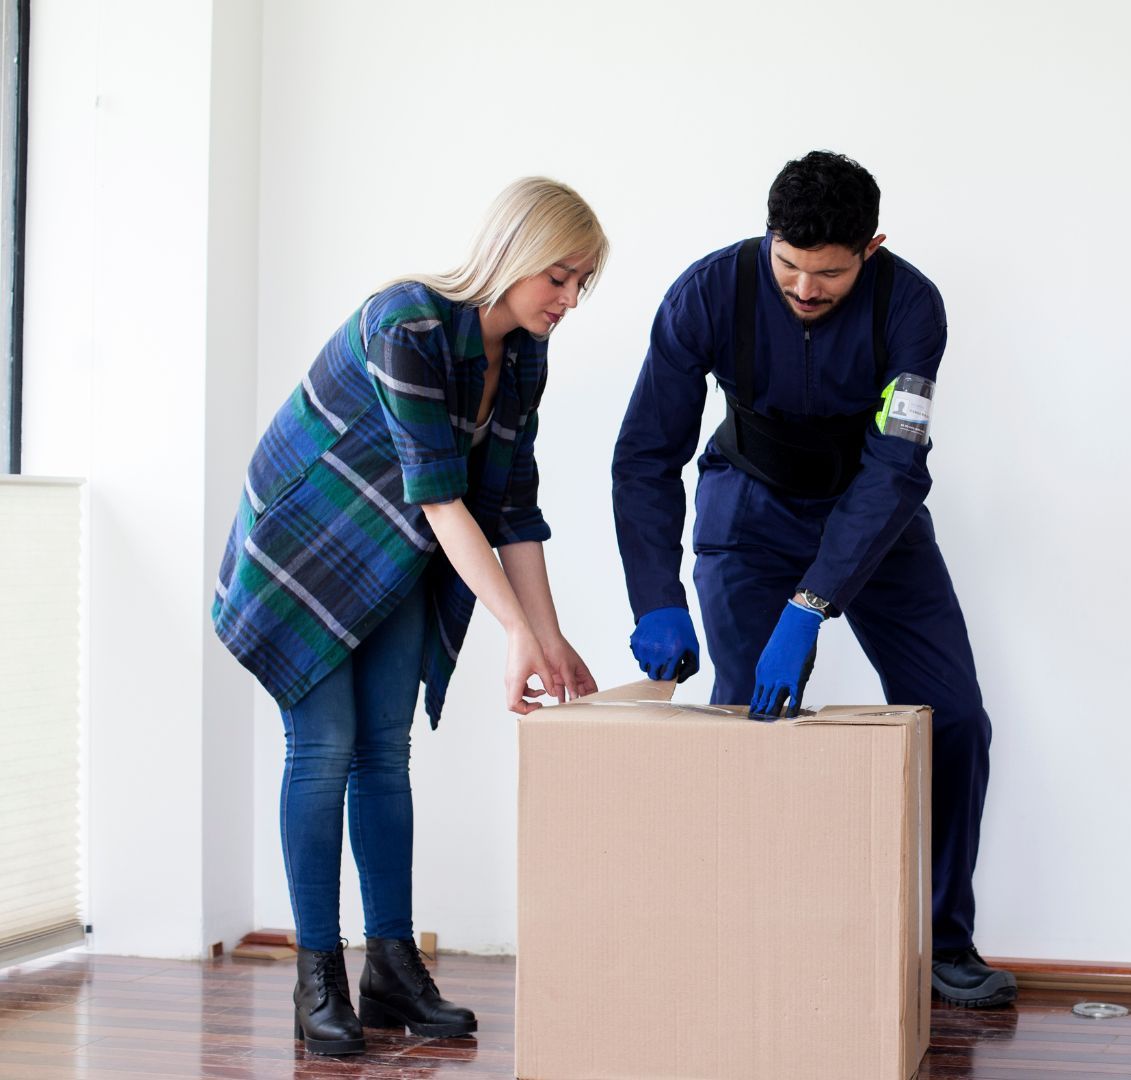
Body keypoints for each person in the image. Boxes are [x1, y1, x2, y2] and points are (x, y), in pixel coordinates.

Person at [611, 150, 1015, 1008]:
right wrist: (655, 595)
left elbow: (898, 463)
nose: (802, 287)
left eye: (827, 273)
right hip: (746, 511)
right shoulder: (707, 293)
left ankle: (942, 940)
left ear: (870, 249)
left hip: (873, 512)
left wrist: (813, 604)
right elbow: (648, 452)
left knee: (959, 721)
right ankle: (743, 932)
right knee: (750, 716)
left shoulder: (912, 306)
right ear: (769, 237)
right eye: (788, 265)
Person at [212, 177, 607, 1054]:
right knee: (323, 752)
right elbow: (439, 496)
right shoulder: (408, 322)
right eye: (559, 275)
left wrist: (548, 637)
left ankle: (391, 969)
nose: (571, 298)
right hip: (306, 546)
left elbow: (511, 506)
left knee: (385, 753)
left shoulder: (526, 359)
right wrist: (514, 634)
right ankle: (319, 980)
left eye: (585, 282)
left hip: (394, 553)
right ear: (511, 253)